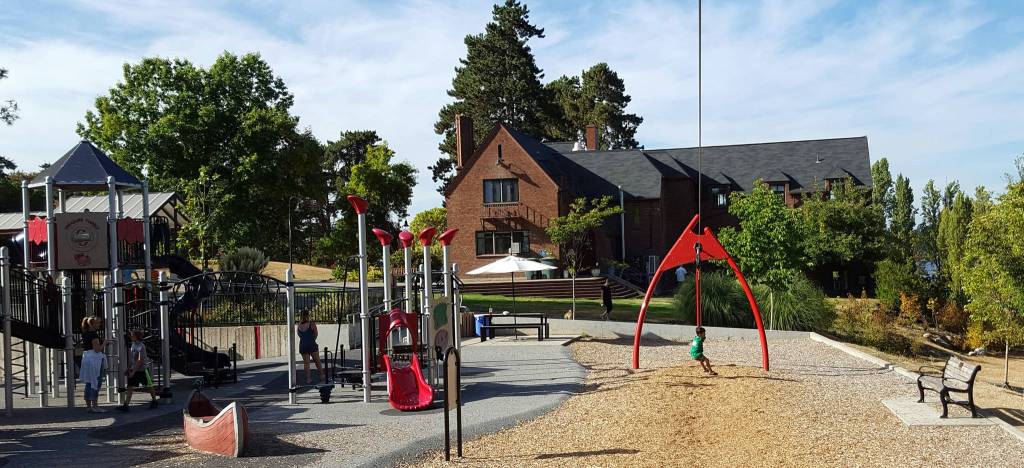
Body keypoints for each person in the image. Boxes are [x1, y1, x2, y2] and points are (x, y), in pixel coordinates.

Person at [119, 329, 158, 411]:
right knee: (130, 386)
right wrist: (129, 367)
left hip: (142, 369)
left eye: (132, 335)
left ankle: (154, 400)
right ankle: (126, 405)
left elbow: (140, 361)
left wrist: (133, 371)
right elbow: (132, 358)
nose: (131, 336)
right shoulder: (133, 344)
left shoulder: (141, 346)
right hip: (134, 368)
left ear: (136, 336)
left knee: (149, 385)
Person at [296, 311, 324, 384]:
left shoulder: (299, 325)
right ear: (308, 315)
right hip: (311, 344)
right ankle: (321, 376)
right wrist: (311, 339)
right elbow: (316, 333)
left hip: (302, 345)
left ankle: (308, 379)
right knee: (317, 361)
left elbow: (299, 335)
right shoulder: (311, 323)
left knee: (306, 363)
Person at [80, 339, 107, 413]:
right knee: (96, 383)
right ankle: (95, 406)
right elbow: (97, 349)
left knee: (89, 383)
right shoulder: (93, 335)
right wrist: (104, 343)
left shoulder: (86, 334)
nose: (98, 326)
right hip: (95, 360)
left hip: (88, 358)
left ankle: (89, 406)